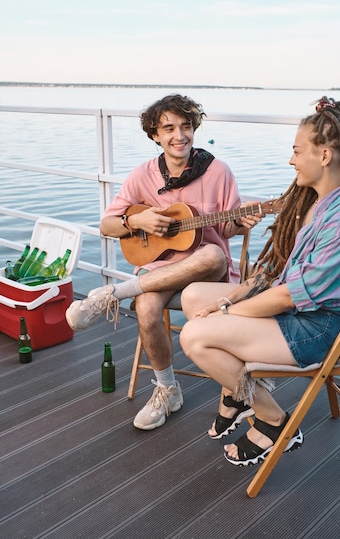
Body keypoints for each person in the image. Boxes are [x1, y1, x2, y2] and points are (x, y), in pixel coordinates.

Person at [179, 96, 340, 467]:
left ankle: (274, 422)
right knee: (193, 297)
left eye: (296, 151)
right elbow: (279, 276)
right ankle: (238, 394)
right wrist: (234, 298)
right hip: (297, 311)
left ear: (323, 156)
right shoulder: (316, 201)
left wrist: (229, 308)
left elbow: (289, 296)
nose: (291, 160)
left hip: (316, 329)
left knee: (194, 335)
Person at [66, 94, 262, 430]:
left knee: (213, 253)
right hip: (159, 270)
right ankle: (167, 390)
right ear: (155, 135)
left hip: (208, 273)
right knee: (145, 308)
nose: (179, 135)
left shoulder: (218, 171)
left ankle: (113, 293)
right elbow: (107, 225)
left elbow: (226, 230)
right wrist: (137, 222)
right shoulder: (143, 176)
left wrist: (240, 222)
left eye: (186, 126)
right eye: (168, 128)